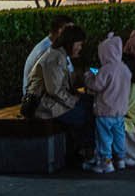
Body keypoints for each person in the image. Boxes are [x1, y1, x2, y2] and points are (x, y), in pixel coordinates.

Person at [28, 24, 93, 152]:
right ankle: (87, 151)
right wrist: (74, 101)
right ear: (71, 42)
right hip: (44, 105)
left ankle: (88, 149)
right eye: (79, 44)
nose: (80, 48)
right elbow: (55, 91)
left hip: (53, 101)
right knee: (87, 113)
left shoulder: (61, 56)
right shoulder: (55, 58)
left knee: (92, 103)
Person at [82, 33, 132, 174]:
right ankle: (121, 160)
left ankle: (106, 163)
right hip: (120, 111)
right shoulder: (124, 68)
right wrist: (96, 71)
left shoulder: (105, 70)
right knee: (119, 136)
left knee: (104, 138)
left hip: (105, 112)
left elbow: (96, 85)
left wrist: (88, 77)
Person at [22, 15, 72, 94]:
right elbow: (52, 87)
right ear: (60, 31)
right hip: (39, 100)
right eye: (70, 31)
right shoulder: (47, 51)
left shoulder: (58, 47)